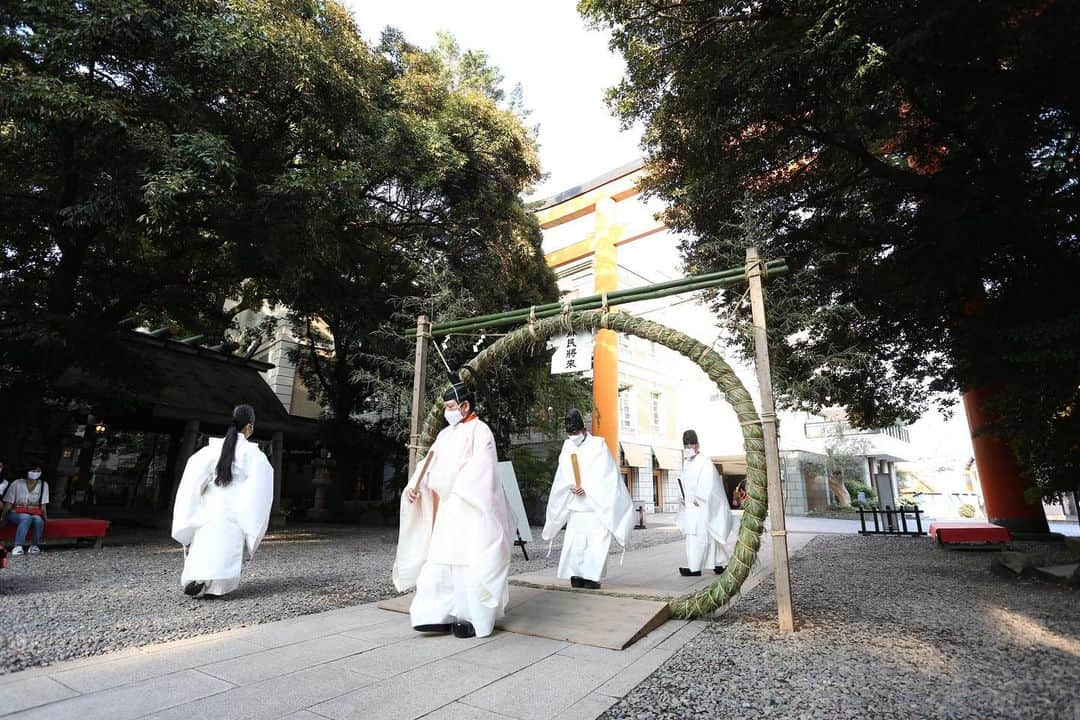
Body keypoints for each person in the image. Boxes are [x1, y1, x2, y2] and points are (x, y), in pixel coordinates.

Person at [393, 375, 512, 639]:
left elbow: (483, 472)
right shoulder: (445, 435)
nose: (448, 412)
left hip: (469, 506)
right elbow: (430, 464)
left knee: (468, 561)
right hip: (448, 508)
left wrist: (449, 484)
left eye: (451, 407)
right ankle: (434, 614)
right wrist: (416, 487)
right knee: (441, 560)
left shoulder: (481, 432)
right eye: (447, 407)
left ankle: (470, 617)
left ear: (465, 406)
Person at [171, 404, 273, 598]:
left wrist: (192, 508)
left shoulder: (210, 450)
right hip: (235, 507)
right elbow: (261, 488)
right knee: (226, 550)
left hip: (210, 505)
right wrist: (250, 517)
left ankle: (197, 579)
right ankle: (215, 588)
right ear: (250, 427)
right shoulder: (254, 455)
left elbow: (193, 479)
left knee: (203, 544)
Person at [542, 409, 633, 590]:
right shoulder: (567, 446)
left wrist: (588, 488)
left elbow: (606, 475)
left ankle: (592, 576)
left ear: (584, 430)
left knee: (596, 542)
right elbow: (562, 475)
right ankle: (575, 574)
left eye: (575, 432)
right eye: (569, 433)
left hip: (595, 505)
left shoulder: (598, 445)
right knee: (575, 541)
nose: (572, 436)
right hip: (576, 504)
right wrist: (570, 486)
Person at [675, 430, 733, 576]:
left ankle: (694, 568)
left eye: (691, 445)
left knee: (698, 536)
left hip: (700, 505)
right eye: (686, 446)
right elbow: (682, 481)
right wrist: (681, 497)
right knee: (706, 535)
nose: (689, 448)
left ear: (697, 445)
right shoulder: (686, 463)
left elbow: (709, 481)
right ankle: (720, 563)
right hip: (689, 506)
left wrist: (699, 497)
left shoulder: (704, 462)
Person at [1, 464, 49, 556]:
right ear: (27, 471)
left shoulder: (43, 485)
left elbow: (43, 505)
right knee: (26, 517)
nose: (36, 473)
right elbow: (9, 503)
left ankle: (34, 546)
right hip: (15, 512)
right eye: (33, 471)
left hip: (34, 511)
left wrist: (45, 517)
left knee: (38, 520)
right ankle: (18, 546)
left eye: (38, 471)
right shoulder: (17, 483)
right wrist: (3, 516)